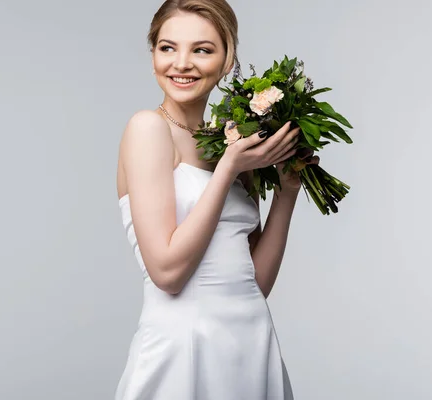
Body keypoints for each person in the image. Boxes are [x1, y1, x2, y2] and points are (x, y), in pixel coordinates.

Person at [115, 0, 318, 398]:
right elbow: (168, 274)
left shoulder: (230, 142)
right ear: (153, 54)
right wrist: (228, 169)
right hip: (183, 348)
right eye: (167, 47)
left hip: (251, 343)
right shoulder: (148, 129)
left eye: (202, 49)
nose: (182, 63)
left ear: (228, 61)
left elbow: (254, 283)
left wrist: (287, 191)